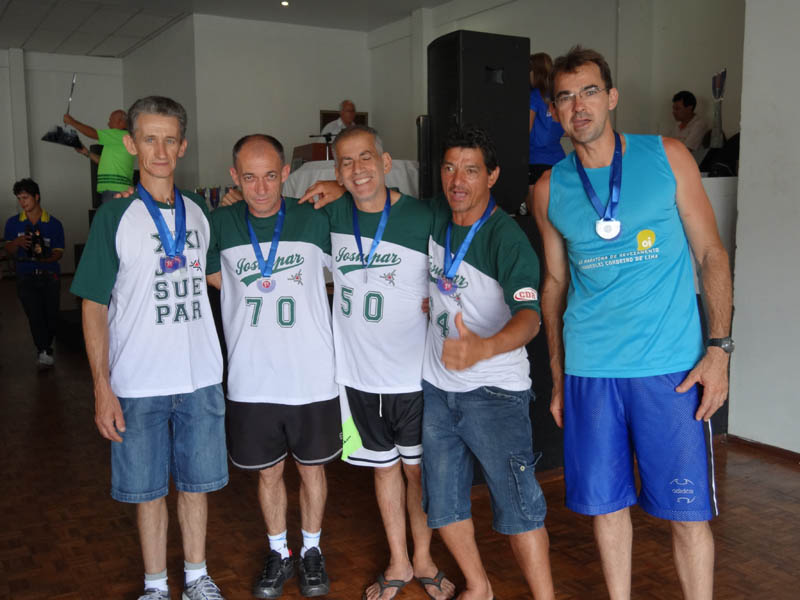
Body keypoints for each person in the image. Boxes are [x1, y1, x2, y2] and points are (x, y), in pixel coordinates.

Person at [533, 47, 732, 600]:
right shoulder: (549, 188)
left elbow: (711, 254)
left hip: (670, 369)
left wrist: (719, 350)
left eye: (589, 92)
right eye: (565, 97)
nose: (579, 106)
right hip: (591, 370)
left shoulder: (667, 156)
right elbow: (555, 284)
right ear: (554, 111)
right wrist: (558, 375)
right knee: (607, 507)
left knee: (688, 512)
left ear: (612, 97)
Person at [70, 96, 228, 600]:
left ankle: (198, 578)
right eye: (149, 139)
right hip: (137, 383)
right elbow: (94, 305)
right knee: (148, 493)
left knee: (196, 488)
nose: (160, 151)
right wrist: (102, 387)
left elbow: (223, 277)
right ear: (131, 144)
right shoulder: (114, 217)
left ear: (182, 146)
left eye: (169, 140)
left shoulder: (200, 211)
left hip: (200, 378)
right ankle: (156, 586)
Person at [319, 125, 454, 600]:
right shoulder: (331, 213)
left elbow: (456, 270)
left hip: (413, 376)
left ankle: (425, 557)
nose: (358, 170)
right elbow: (272, 213)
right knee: (383, 470)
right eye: (347, 163)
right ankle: (399, 560)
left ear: (385, 161)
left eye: (365, 158)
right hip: (356, 378)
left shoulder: (424, 216)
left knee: (418, 472)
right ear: (338, 172)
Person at [422, 125, 555, 600]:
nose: (457, 181)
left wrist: (483, 347)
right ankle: (478, 586)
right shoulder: (435, 216)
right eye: (449, 168)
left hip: (495, 392)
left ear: (492, 176)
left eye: (471, 170)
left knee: (520, 509)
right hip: (437, 389)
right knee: (444, 503)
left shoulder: (506, 238)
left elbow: (530, 319)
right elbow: (381, 203)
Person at [206, 134, 339, 598]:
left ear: (285, 173)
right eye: (249, 178)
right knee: (268, 473)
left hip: (312, 376)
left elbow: (358, 249)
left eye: (269, 176)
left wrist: (341, 185)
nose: (260, 189)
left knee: (312, 470)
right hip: (252, 379)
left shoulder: (314, 218)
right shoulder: (219, 223)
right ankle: (280, 551)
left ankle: (312, 551)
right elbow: (213, 275)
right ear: (234, 177)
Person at [4, 178, 65, 367]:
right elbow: (8, 250)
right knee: (34, 314)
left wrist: (46, 259)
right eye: (19, 198)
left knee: (51, 315)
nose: (22, 202)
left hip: (50, 275)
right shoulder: (13, 223)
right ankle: (44, 350)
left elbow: (59, 252)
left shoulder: (54, 223)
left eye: (25, 198)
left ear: (36, 197)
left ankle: (45, 347)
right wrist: (17, 243)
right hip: (25, 274)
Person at [64, 108, 135, 203]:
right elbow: (103, 162)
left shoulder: (120, 135)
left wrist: (72, 122)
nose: (108, 124)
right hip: (118, 190)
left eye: (110, 120)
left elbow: (94, 133)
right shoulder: (119, 140)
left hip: (115, 190)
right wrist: (86, 152)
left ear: (121, 122)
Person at [528, 53, 565, 192]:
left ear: (535, 72)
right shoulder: (557, 96)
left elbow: (525, 130)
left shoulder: (534, 96)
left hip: (536, 161)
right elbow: (565, 129)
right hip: (559, 161)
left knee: (536, 204)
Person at [669, 91, 709, 158]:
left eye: (677, 109)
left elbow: (686, 150)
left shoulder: (699, 125)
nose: (674, 112)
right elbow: (668, 144)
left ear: (689, 108)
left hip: (688, 162)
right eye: (673, 108)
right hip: (674, 159)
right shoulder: (678, 124)